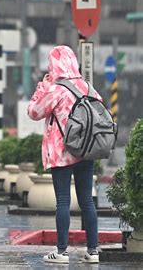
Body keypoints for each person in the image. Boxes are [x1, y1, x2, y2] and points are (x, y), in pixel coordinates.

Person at [28, 45, 101, 264]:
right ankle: (93, 251)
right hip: (86, 151)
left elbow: (33, 111)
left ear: (53, 65)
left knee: (63, 201)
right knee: (87, 200)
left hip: (62, 153)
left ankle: (61, 252)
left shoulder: (56, 89)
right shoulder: (88, 87)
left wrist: (43, 85)